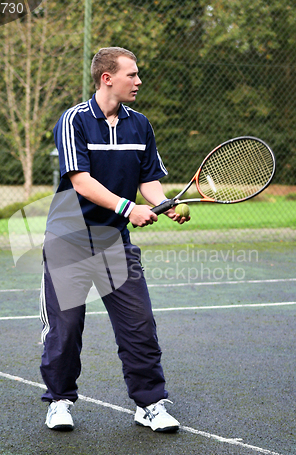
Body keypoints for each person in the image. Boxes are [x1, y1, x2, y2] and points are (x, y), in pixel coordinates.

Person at [39, 47, 189, 432]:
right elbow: (81, 181)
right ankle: (59, 400)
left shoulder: (140, 125)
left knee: (139, 323)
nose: (138, 82)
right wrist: (129, 209)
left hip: (114, 243)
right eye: (132, 75)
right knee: (66, 327)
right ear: (107, 78)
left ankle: (150, 404)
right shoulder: (73, 120)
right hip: (68, 239)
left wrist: (163, 204)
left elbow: (148, 179)